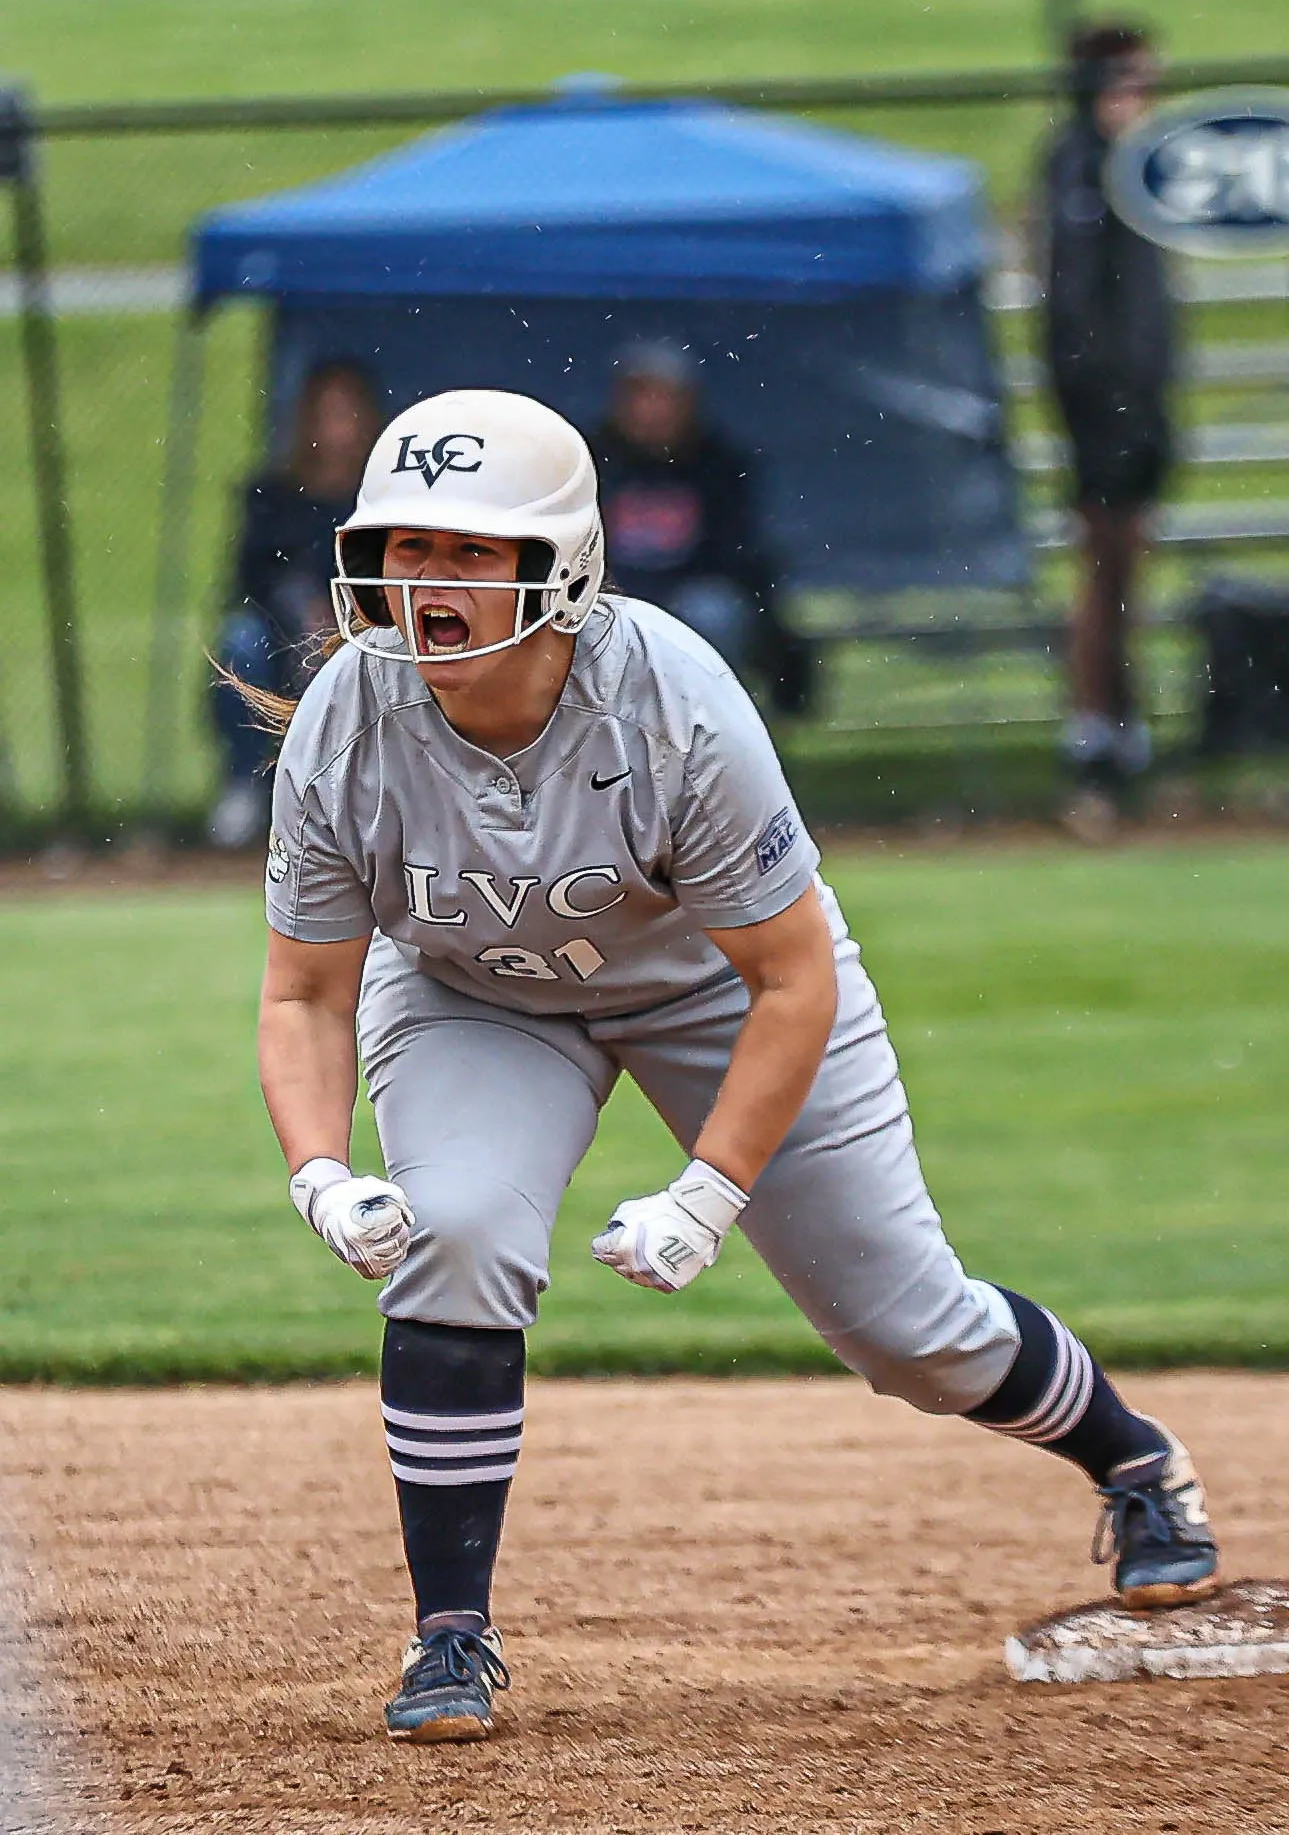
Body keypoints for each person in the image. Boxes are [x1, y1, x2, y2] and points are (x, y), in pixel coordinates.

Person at [249, 388, 1220, 1745]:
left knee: (909, 1332)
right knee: (454, 1232)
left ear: (560, 567)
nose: (428, 586)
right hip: (478, 995)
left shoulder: (670, 699)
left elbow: (789, 973)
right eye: (406, 548)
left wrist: (705, 1195)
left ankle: (1128, 1458)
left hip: (715, 991)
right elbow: (302, 992)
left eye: (471, 552)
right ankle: (449, 1637)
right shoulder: (349, 719)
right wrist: (317, 1171)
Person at [1035, 21, 1173, 817]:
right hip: (1101, 399)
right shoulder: (1079, 164)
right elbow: (1077, 303)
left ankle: (1120, 714)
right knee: (1102, 563)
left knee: (1128, 562)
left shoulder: (1140, 163)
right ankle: (1095, 720)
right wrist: (1101, 391)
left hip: (1139, 392)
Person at [208, 360, 383, 849]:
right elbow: (250, 580)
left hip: (368, 626)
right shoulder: (272, 494)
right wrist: (299, 608)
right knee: (239, 641)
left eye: (347, 411)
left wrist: (350, 614)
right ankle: (245, 781)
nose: (336, 424)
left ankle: (368, 796)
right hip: (281, 630)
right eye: (325, 411)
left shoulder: (383, 497)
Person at [590, 342, 815, 718]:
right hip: (610, 597)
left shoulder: (719, 465)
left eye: (664, 397)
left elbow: (735, 554)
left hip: (687, 599)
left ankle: (703, 725)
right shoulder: (592, 460)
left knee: (714, 611)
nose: (652, 409)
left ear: (689, 402)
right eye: (641, 396)